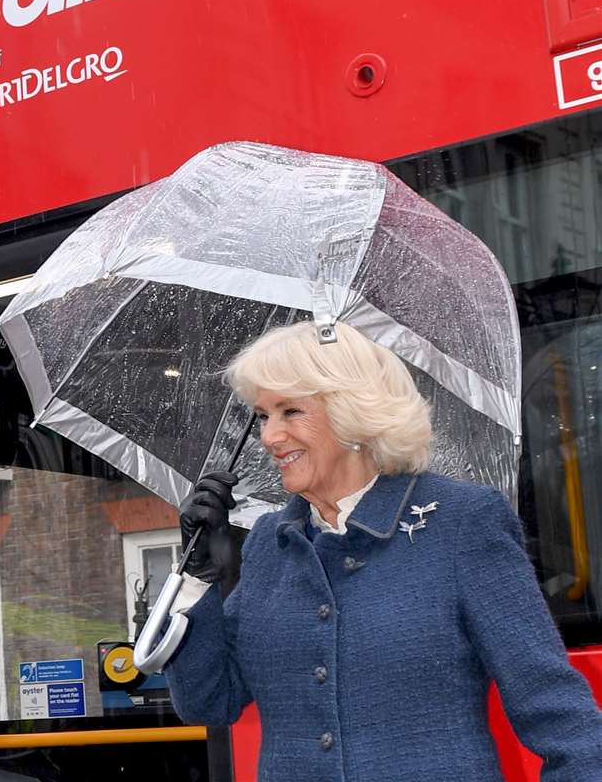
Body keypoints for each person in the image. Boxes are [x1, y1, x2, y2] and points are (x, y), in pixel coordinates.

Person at [165, 320, 602, 781]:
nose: (270, 436)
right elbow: (208, 701)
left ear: (353, 410)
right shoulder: (269, 543)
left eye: (290, 411)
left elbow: (560, 715)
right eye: (263, 415)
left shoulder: (462, 521)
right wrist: (198, 576)